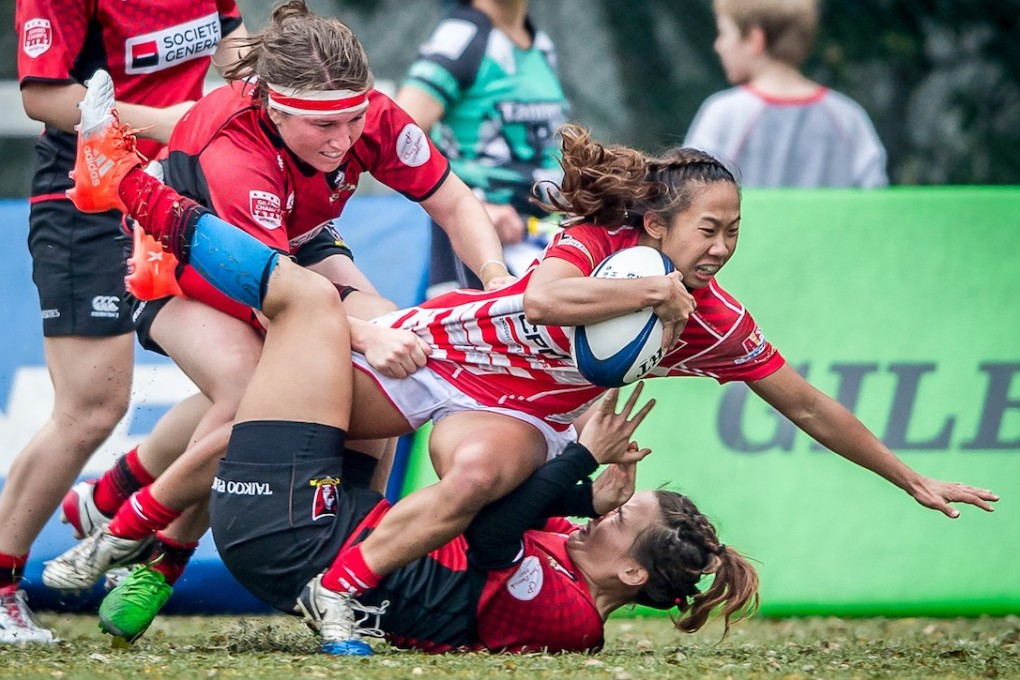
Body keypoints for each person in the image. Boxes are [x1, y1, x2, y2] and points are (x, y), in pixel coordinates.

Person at [47, 84, 997, 648]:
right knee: (262, 408)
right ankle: (130, 531)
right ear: (655, 226)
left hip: (507, 415)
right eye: (710, 229)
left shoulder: (705, 314)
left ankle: (339, 591)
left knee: (479, 474)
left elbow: (806, 403)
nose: (723, 248)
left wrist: (907, 477)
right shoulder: (597, 242)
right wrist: (650, 295)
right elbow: (543, 304)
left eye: (736, 232)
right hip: (437, 354)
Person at [51, 0, 516, 596]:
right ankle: (155, 559)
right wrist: (366, 334)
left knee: (391, 373)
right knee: (253, 396)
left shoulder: (364, 112)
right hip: (184, 260)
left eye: (353, 121)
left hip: (294, 241)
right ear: (274, 106)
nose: (345, 140)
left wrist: (497, 276)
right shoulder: (234, 152)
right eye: (324, 127)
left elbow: (451, 200)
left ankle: (346, 559)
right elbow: (275, 298)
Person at [0, 0, 246, 645]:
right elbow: (44, 99)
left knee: (250, 379)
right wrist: (165, 120)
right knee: (89, 409)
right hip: (89, 202)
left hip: (180, 195)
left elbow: (236, 49)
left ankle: (112, 495)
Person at [395, 0, 569, 293]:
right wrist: (474, 206)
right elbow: (395, 136)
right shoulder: (461, 37)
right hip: (477, 253)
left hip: (543, 237)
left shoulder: (541, 44)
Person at [683, 0, 888, 188]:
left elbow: (688, 191)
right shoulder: (848, 116)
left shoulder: (723, 113)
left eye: (724, 33)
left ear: (755, 39)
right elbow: (874, 194)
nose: (718, 46)